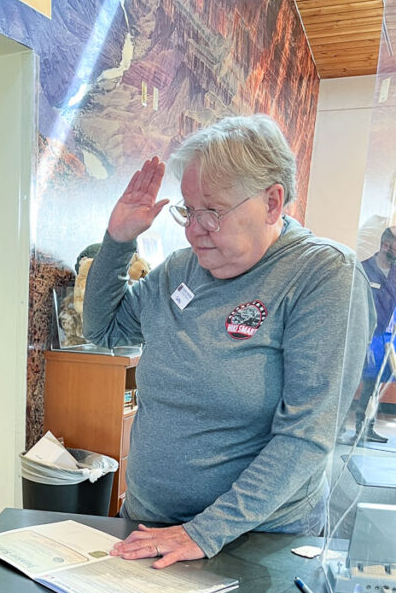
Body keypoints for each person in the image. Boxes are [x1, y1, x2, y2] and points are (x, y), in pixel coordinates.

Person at [83, 114, 373, 568]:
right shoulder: (180, 271)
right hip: (149, 527)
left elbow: (308, 435)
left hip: (252, 544)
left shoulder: (322, 274)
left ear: (273, 202)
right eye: (188, 210)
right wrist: (117, 241)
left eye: (212, 212)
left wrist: (205, 532)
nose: (193, 229)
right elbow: (102, 331)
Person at [340, 225, 396, 444]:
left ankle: (365, 428)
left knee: (373, 385)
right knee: (351, 382)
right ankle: (338, 428)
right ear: (386, 245)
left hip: (384, 339)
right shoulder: (362, 270)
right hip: (361, 337)